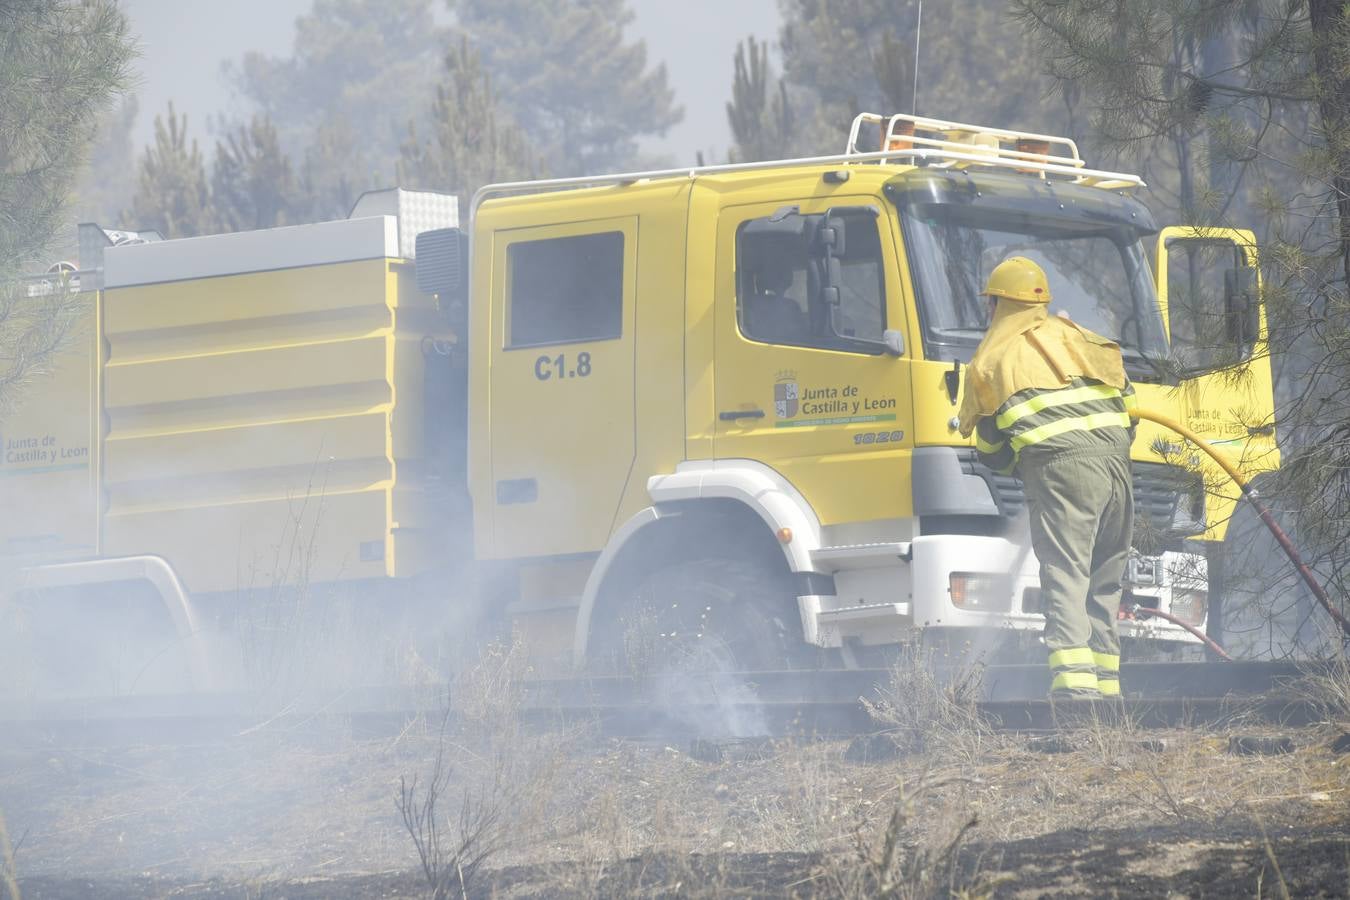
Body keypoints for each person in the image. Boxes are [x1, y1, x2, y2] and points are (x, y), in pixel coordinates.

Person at [956, 256, 1137, 701]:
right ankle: (1108, 689)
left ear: (997, 304)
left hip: (1061, 469)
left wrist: (1024, 467)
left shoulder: (993, 359)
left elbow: (991, 450)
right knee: (1105, 576)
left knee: (1067, 574)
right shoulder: (1081, 338)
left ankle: (1075, 688)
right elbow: (1130, 410)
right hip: (1118, 464)